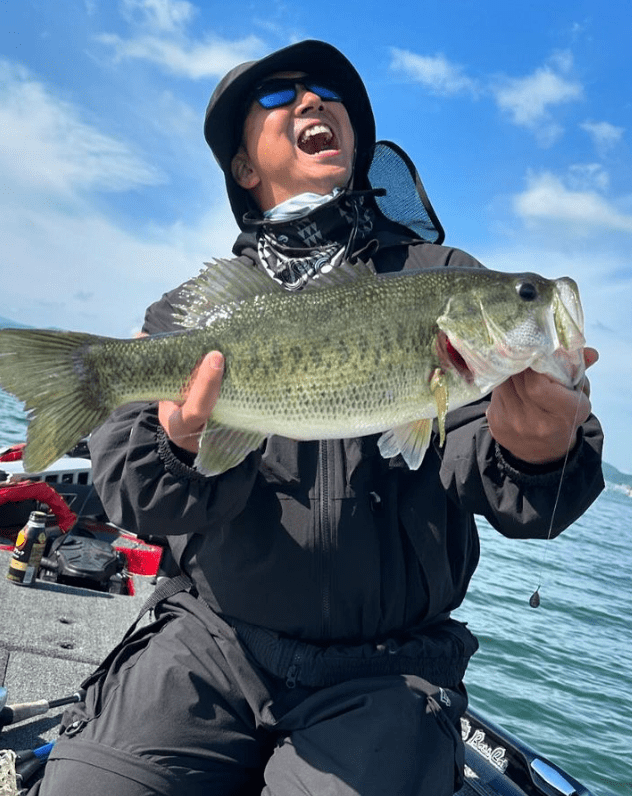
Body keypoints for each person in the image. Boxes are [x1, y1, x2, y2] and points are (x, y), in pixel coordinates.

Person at [32, 40, 604, 796]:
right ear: (243, 168)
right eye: (278, 95)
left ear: (359, 142)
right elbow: (141, 500)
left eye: (329, 90)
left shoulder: (440, 278)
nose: (311, 101)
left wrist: (541, 451)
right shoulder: (186, 315)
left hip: (388, 673)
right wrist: (177, 446)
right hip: (210, 642)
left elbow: (507, 487)